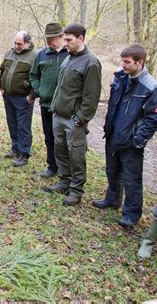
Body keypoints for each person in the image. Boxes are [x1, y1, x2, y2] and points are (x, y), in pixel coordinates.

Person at [92, 44, 157, 227]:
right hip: (113, 134)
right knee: (112, 170)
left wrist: (138, 138)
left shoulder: (152, 88)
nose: (122, 65)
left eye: (127, 62)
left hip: (131, 141)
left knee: (132, 178)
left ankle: (131, 214)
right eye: (122, 61)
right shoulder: (120, 79)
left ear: (139, 62)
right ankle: (112, 199)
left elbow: (156, 117)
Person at [43, 23, 102, 206]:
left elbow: (91, 97)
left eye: (69, 40)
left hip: (74, 120)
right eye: (65, 39)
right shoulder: (68, 58)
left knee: (76, 156)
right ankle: (63, 182)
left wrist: (80, 119)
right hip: (58, 115)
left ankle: (76, 191)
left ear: (81, 38)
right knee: (60, 151)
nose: (65, 43)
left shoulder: (91, 63)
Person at [28, 22, 69, 177]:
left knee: (64, 140)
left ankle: (65, 170)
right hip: (46, 103)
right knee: (49, 137)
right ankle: (52, 167)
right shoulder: (42, 54)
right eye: (47, 38)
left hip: (65, 106)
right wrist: (39, 90)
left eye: (52, 38)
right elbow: (33, 75)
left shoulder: (70, 54)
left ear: (61, 36)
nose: (49, 41)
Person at [0, 31, 37, 166]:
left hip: (23, 98)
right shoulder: (9, 53)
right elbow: (2, 70)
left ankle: (24, 153)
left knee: (23, 126)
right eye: (15, 43)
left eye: (19, 44)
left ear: (27, 43)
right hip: (8, 95)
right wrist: (1, 87)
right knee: (12, 123)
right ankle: (15, 149)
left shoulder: (34, 56)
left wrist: (31, 96)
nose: (16, 46)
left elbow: (37, 77)